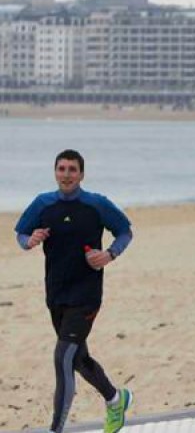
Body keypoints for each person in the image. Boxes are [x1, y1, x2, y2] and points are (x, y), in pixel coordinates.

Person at [14, 149, 134, 433]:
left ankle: (56, 428)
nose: (66, 174)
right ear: (55, 172)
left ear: (81, 174)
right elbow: (20, 235)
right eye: (61, 169)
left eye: (72, 169)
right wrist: (29, 240)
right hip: (56, 293)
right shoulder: (42, 204)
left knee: (62, 357)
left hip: (86, 294)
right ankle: (116, 399)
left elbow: (125, 231)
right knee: (77, 358)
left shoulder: (96, 204)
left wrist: (109, 254)